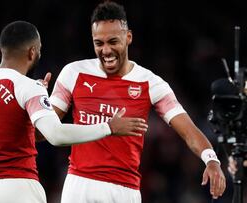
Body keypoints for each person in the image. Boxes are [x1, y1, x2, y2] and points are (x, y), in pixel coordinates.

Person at [0, 20, 148, 203]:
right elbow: (56, 135)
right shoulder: (27, 88)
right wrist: (108, 127)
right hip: (19, 189)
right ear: (32, 51)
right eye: (39, 49)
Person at [48, 1, 226, 202]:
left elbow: (188, 130)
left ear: (128, 37)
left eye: (113, 41)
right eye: (99, 43)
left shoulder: (150, 83)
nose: (106, 50)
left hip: (124, 190)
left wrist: (211, 160)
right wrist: (36, 101)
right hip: (79, 185)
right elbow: (45, 131)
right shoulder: (74, 73)